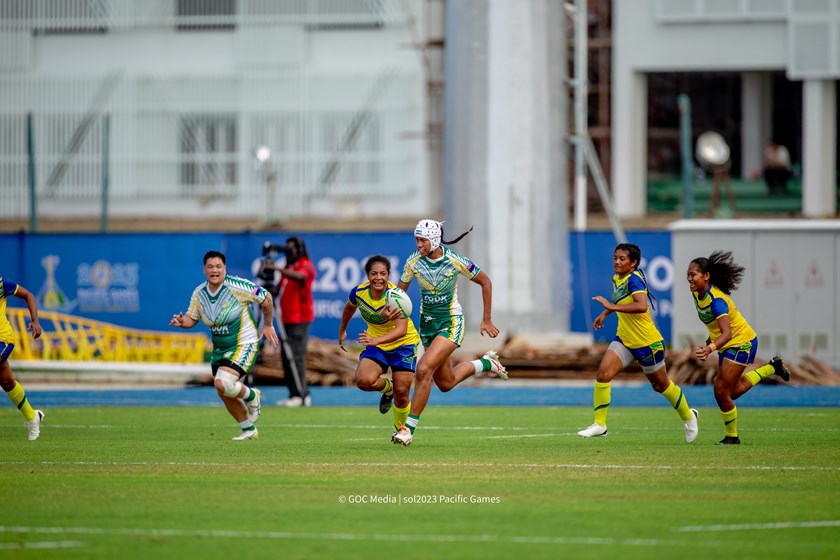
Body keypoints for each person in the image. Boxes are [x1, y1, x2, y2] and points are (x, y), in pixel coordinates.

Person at [389, 219, 508, 446]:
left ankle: (408, 430)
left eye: (423, 240)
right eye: (417, 239)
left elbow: (486, 282)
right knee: (446, 383)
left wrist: (486, 319)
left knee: (423, 369)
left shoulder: (454, 260)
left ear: (434, 240)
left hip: (451, 322)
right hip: (427, 326)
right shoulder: (413, 261)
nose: (418, 244)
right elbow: (398, 294)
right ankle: (486, 364)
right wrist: (390, 309)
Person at [578, 243, 699, 443]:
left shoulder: (635, 280)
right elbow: (620, 300)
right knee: (603, 375)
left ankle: (689, 416)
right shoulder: (618, 278)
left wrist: (611, 306)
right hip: (625, 340)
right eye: (615, 257)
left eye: (622, 259)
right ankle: (600, 424)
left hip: (647, 343)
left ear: (633, 263)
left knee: (661, 385)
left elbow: (641, 306)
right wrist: (605, 313)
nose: (617, 261)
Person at [170, 251, 278, 440]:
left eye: (218, 266)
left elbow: (266, 297)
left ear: (225, 269)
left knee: (222, 383)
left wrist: (268, 325)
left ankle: (253, 396)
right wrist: (182, 322)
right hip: (220, 350)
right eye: (210, 267)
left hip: (244, 344)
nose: (215, 270)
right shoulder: (199, 294)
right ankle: (248, 429)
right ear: (204, 270)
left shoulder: (237, 286)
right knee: (224, 391)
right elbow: (191, 318)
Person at [687, 250, 791, 445]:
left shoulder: (717, 301)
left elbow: (727, 333)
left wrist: (709, 349)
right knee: (730, 392)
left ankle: (732, 437)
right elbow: (715, 327)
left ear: (706, 276)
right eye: (688, 275)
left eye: (693, 274)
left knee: (720, 391)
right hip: (728, 345)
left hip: (742, 342)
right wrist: (710, 342)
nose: (689, 279)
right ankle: (772, 367)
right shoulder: (698, 295)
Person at [338, 255, 419, 441]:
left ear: (388, 276)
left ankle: (400, 430)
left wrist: (376, 340)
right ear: (367, 275)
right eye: (374, 273)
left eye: (383, 273)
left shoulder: (396, 295)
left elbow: (401, 330)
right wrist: (342, 330)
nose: (378, 277)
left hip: (404, 344)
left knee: (402, 392)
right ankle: (388, 388)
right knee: (363, 381)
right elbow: (349, 309)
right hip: (378, 344)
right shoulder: (359, 293)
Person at [268, 237, 316, 407]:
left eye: (292, 249)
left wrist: (277, 269)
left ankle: (302, 394)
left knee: (296, 356)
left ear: (300, 250)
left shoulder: (305, 264)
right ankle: (293, 393)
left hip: (300, 318)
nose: (289, 252)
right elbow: (278, 289)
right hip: (286, 317)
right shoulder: (288, 266)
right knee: (286, 357)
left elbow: (299, 277)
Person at [1, 277, 45, 440]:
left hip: (3, 339)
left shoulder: (1, 285)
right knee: (6, 382)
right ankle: (33, 417)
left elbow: (28, 295)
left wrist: (35, 321)